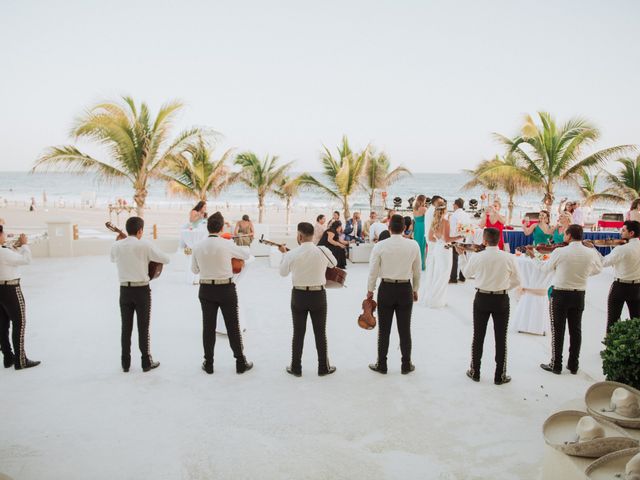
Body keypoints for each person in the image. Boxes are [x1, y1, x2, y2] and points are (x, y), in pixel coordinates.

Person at [456, 227, 520, 385]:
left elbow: (465, 274)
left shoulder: (478, 257)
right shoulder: (509, 257)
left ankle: (475, 371)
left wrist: (462, 256)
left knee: (478, 336)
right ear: (498, 240)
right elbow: (517, 280)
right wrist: (504, 287)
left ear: (484, 240)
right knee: (501, 338)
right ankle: (500, 375)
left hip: (482, 297)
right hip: (501, 298)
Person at [536, 225, 603, 375]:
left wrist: (534, 259)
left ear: (568, 235)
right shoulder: (590, 253)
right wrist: (584, 274)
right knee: (576, 330)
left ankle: (556, 364)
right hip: (579, 294)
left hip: (560, 293)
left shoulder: (560, 251)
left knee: (557, 330)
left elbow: (545, 268)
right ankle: (573, 364)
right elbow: (599, 269)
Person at [192, 213, 253, 375]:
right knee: (233, 326)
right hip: (226, 289)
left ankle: (209, 363)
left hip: (206, 289)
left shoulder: (198, 246)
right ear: (221, 228)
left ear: (208, 227)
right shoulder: (226, 244)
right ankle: (240, 362)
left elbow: (194, 270)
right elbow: (246, 255)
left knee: (208, 327)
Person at [110, 216, 170, 372]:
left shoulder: (116, 245)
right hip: (142, 290)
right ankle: (145, 362)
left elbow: (112, 258)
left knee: (126, 327)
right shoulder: (144, 244)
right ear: (140, 231)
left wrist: (119, 241)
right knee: (143, 328)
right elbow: (165, 259)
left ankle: (125, 364)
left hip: (124, 290)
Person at [279, 222, 337, 377]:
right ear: (312, 235)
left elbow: (283, 272)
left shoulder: (293, 253)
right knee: (320, 332)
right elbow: (334, 263)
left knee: (298, 332)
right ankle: (323, 367)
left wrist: (284, 253)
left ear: (299, 236)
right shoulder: (323, 250)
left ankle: (296, 367)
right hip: (318, 295)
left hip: (298, 296)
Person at [367, 214, 421, 375]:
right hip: (405, 289)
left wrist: (370, 291)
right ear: (405, 228)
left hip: (386, 289)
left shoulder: (380, 246)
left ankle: (382, 364)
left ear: (389, 227)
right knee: (405, 329)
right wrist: (415, 289)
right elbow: (417, 271)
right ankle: (406, 364)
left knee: (384, 330)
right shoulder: (413, 245)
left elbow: (373, 271)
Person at [0, 226, 40, 370]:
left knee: (2, 325)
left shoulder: (5, 251)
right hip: (11, 289)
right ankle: (21, 360)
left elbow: (11, 259)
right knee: (19, 323)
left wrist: (15, 247)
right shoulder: (3, 252)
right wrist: (24, 244)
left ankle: (8, 357)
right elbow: (26, 260)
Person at [419, 201, 462, 308]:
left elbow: (430, 238)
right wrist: (459, 237)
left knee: (438, 273)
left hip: (438, 249)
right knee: (444, 274)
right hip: (444, 250)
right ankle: (437, 301)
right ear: (444, 210)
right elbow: (447, 239)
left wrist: (439, 241)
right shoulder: (445, 222)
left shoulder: (434, 221)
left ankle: (436, 299)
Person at [602, 220, 640, 333]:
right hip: (637, 286)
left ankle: (610, 348)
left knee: (613, 319)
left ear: (631, 233)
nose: (621, 232)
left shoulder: (622, 249)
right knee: (637, 319)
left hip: (620, 286)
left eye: (623, 230)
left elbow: (603, 263)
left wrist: (593, 250)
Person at [449, 198, 470, 283]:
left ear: (456, 205)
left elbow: (453, 229)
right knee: (463, 257)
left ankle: (453, 278)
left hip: (456, 238)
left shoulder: (454, 215)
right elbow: (469, 227)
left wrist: (451, 238)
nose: (453, 206)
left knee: (454, 259)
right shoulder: (466, 214)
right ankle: (463, 277)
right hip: (465, 238)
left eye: (453, 204)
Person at [412, 195, 427, 270]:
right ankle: (422, 265)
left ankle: (415, 265)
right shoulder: (424, 209)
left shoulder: (414, 209)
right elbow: (429, 219)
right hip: (423, 228)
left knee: (416, 246)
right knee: (422, 246)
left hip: (417, 228)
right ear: (423, 200)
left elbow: (414, 220)